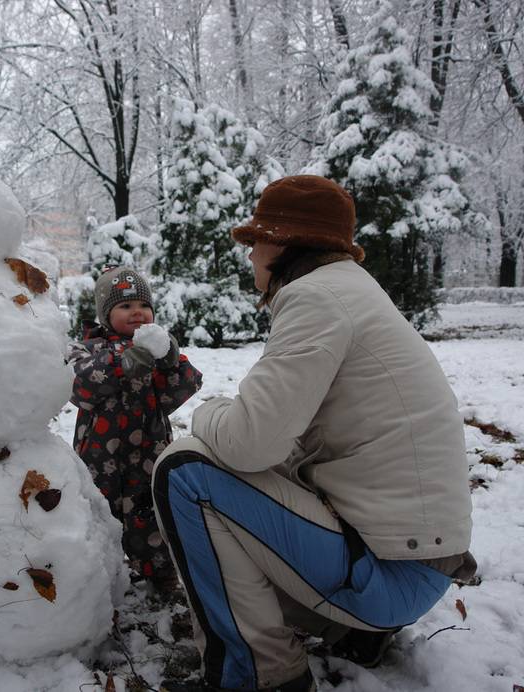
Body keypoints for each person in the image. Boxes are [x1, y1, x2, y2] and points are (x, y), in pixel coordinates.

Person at [153, 176, 476, 692]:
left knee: (185, 469)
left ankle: (261, 674)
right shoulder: (351, 292)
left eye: (256, 240)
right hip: (415, 564)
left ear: (283, 241)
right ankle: (350, 630)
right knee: (250, 485)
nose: (251, 254)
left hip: (389, 575)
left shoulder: (316, 299)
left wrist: (207, 410)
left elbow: (248, 442)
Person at [69, 266, 203, 595]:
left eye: (143, 305)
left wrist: (171, 360)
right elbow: (80, 387)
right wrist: (122, 361)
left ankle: (160, 573)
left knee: (152, 511)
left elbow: (181, 390)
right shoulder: (89, 349)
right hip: (101, 454)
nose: (137, 313)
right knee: (100, 512)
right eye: (125, 306)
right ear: (105, 314)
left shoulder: (158, 350)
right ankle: (98, 577)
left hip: (149, 450)